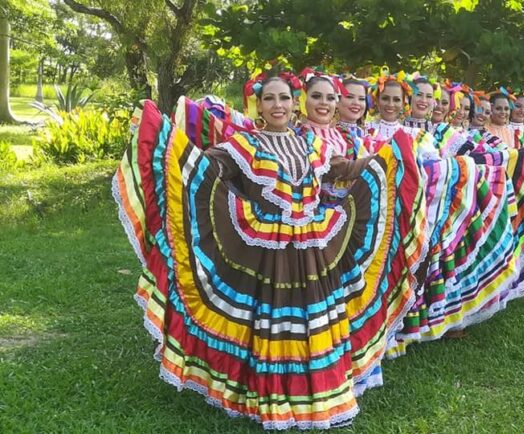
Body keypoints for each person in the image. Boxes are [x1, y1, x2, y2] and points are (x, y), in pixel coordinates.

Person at [113, 70, 426, 430]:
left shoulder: (315, 145)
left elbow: (346, 169)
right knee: (271, 323)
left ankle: (320, 395)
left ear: (295, 104)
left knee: (312, 321)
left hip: (313, 245)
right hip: (265, 246)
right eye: (270, 98)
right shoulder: (245, 145)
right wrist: (166, 141)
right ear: (259, 105)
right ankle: (268, 397)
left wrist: (390, 157)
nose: (278, 105)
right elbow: (206, 168)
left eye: (284, 98)